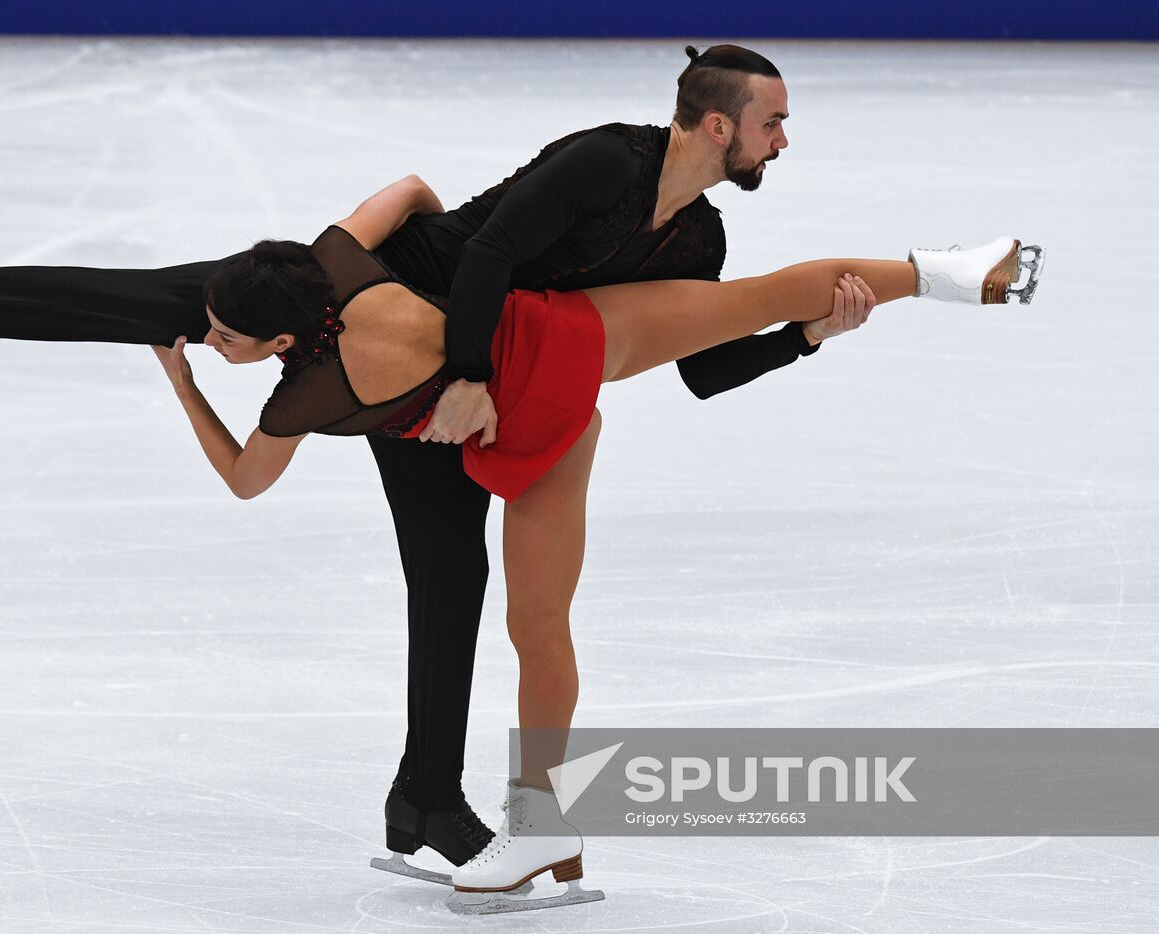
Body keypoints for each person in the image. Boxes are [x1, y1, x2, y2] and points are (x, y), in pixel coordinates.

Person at [0, 45, 1034, 879]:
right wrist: (414, 334)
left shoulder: (699, 231)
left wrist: (808, 338)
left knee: (458, 591)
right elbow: (486, 239)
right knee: (129, 297)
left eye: (229, 343)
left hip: (466, 384)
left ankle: (428, 800)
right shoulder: (598, 161)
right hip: (436, 366)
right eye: (774, 120)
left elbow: (699, 365)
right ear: (717, 122)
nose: (787, 138)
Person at [145, 169, 1041, 906]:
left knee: (537, 630)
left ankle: (545, 823)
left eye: (229, 335)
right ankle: (948, 272)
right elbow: (414, 190)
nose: (216, 342)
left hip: (535, 426)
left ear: (287, 337)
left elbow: (244, 480)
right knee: (761, 299)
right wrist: (442, 253)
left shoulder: (304, 394)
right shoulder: (338, 256)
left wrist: (185, 384)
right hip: (568, 340)